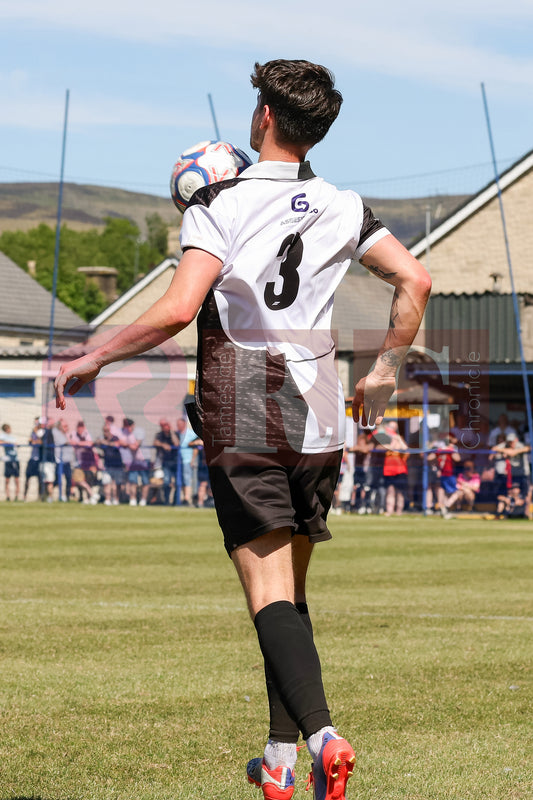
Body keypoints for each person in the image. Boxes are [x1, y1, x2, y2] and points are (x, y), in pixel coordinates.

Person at [54, 58, 431, 800]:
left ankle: (321, 734)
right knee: (285, 591)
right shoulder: (343, 203)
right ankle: (280, 758)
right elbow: (414, 279)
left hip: (247, 399)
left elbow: (173, 309)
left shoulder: (218, 201)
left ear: (262, 116)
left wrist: (94, 355)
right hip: (319, 411)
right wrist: (385, 372)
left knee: (266, 591)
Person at [153, 419, 180, 505]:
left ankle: (176, 502)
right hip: (166, 462)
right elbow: (155, 442)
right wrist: (163, 445)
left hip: (176, 462)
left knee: (177, 482)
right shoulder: (160, 435)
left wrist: (171, 432)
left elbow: (176, 444)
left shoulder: (175, 434)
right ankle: (167, 501)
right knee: (166, 482)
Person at [175, 417, 197, 506]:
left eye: (179, 424)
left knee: (187, 479)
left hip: (188, 460)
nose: (178, 426)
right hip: (179, 461)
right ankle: (182, 498)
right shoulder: (177, 434)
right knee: (181, 480)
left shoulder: (191, 434)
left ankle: (187, 498)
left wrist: (192, 460)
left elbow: (196, 447)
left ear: (184, 424)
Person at [1, 423, 21, 501]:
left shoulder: (12, 438)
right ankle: (8, 496)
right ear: (6, 429)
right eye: (8, 428)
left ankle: (16, 496)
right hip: (8, 461)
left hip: (15, 460)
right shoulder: (3, 436)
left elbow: (16, 445)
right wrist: (8, 443)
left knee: (16, 479)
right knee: (7, 480)